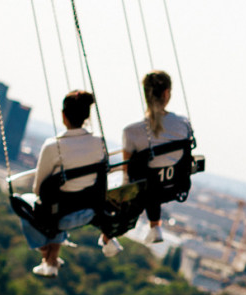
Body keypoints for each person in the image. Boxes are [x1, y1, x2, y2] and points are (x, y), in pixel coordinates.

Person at [12, 90, 113, 276]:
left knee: (30, 203)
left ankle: (47, 256)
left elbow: (38, 189)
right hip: (87, 210)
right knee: (57, 204)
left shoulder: (53, 146)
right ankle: (51, 261)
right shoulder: (100, 143)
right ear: (86, 116)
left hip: (59, 215)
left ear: (63, 115)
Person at [116, 70, 192, 246]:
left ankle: (109, 237)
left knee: (147, 180)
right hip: (174, 183)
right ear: (167, 94)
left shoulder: (132, 131)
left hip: (147, 188)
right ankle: (154, 226)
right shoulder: (183, 124)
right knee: (154, 183)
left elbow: (127, 173)